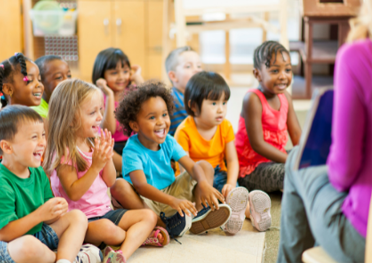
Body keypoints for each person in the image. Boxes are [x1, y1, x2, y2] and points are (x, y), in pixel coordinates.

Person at [277, 0, 372, 262]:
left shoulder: (358, 56)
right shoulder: (255, 100)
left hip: (364, 238)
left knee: (296, 160)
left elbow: (343, 172)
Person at [43, 79, 166, 263]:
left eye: (100, 109)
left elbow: (109, 182)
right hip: (82, 221)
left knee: (148, 216)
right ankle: (138, 237)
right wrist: (95, 166)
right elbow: (74, 193)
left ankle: (121, 255)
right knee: (110, 231)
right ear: (70, 119)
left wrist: (107, 157)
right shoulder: (65, 152)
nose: (100, 117)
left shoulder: (95, 138)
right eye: (92, 112)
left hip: (105, 211)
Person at [0, 105, 102, 263]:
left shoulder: (37, 172)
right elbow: (5, 234)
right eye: (34, 137)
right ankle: (68, 258)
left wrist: (55, 210)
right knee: (29, 246)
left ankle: (64, 260)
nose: (43, 142)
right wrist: (41, 214)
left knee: (77, 217)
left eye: (43, 135)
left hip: (34, 234)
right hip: (1, 248)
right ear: (7, 147)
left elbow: (47, 216)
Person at [111, 81, 232, 239]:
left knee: (204, 167)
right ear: (135, 125)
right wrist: (172, 201)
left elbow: (191, 166)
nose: (161, 122)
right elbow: (141, 186)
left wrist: (202, 183)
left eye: (164, 114)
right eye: (152, 117)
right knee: (118, 185)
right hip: (147, 202)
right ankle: (162, 224)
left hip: (173, 192)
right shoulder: (132, 150)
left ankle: (197, 216)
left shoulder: (168, 141)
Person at [175, 71, 272, 233]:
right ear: (193, 106)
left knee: (234, 196)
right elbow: (185, 168)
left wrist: (231, 183)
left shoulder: (225, 126)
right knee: (209, 201)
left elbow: (232, 160)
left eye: (224, 103)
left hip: (219, 174)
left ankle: (253, 214)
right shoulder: (184, 131)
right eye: (213, 104)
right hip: (194, 179)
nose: (221, 110)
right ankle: (216, 215)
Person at [235, 41, 302, 192]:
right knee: (292, 173)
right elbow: (258, 144)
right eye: (275, 71)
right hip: (253, 168)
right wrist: (291, 160)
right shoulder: (252, 99)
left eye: (288, 70)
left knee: (316, 158)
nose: (283, 76)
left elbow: (297, 134)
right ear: (257, 74)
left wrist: (307, 154)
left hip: (277, 157)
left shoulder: (285, 97)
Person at [0, 52, 44, 181]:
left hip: (35, 185)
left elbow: (45, 167)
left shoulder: (40, 120)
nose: (39, 85)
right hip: (6, 191)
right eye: (30, 80)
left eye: (39, 79)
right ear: (8, 89)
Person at [92, 48, 144, 173]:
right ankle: (131, 170)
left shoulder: (132, 91)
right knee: (103, 147)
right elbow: (109, 130)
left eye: (125, 71)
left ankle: (137, 170)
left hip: (135, 143)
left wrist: (137, 77)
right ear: (101, 75)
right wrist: (109, 95)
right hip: (114, 146)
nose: (121, 77)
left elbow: (150, 101)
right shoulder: (99, 96)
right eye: (114, 73)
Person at [165, 46, 202, 135]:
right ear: (173, 76)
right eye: (188, 66)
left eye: (199, 66)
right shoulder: (173, 100)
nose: (196, 70)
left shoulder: (196, 97)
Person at [32, 55, 72, 119]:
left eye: (69, 76)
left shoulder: (65, 106)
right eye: (59, 77)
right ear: (41, 83)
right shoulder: (36, 113)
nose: (67, 81)